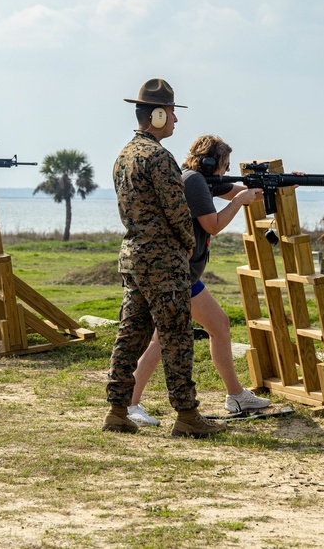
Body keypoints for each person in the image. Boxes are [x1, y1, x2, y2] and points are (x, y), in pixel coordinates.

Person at [104, 78, 225, 437]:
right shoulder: (158, 157)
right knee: (176, 336)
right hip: (163, 261)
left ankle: (117, 410)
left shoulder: (124, 155)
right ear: (157, 115)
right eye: (171, 113)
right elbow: (177, 210)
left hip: (134, 257)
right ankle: (187, 417)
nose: (175, 120)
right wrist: (189, 242)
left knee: (131, 333)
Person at [126, 135, 272, 427]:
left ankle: (235, 395)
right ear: (210, 162)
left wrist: (283, 186)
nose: (225, 170)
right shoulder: (194, 182)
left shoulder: (199, 179)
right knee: (167, 338)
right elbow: (213, 225)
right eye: (224, 164)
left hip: (182, 273)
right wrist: (242, 201)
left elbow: (243, 191)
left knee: (213, 326)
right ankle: (130, 404)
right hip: (179, 274)